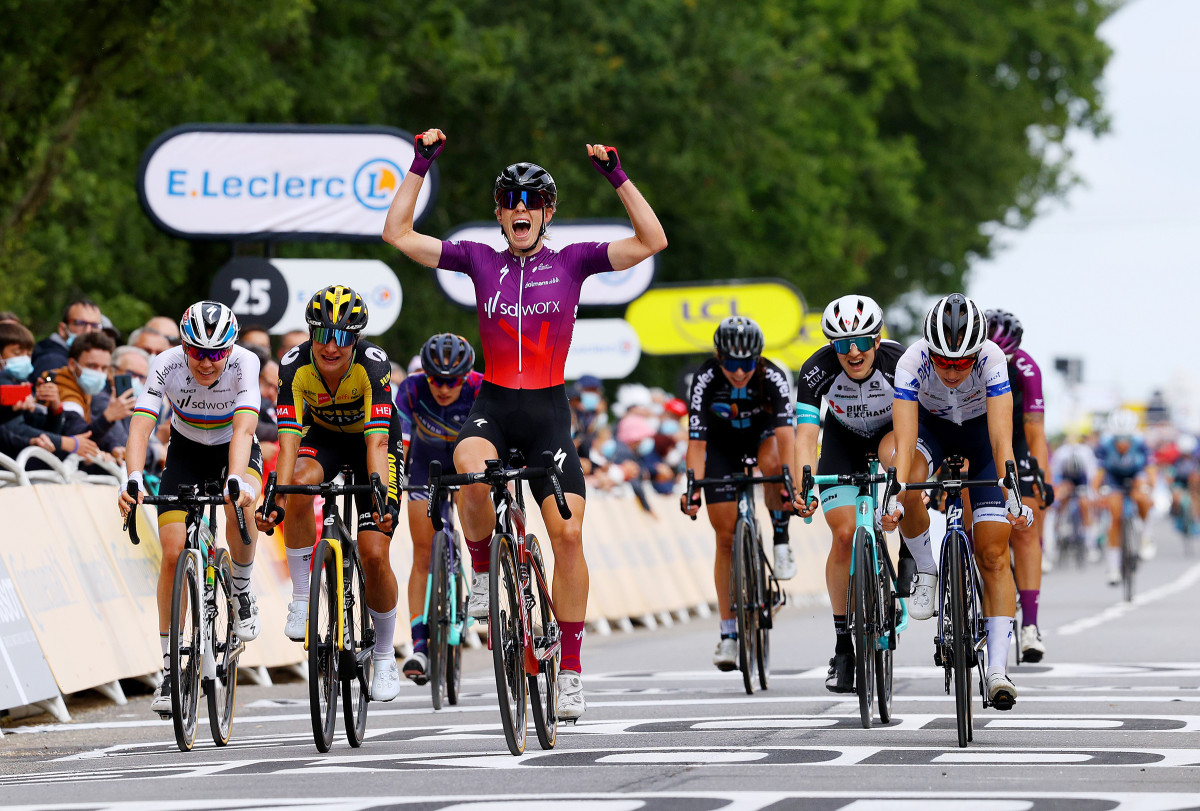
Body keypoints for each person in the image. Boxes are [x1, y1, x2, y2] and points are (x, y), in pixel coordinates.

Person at [383, 127, 668, 720]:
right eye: (509, 202)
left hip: (546, 413)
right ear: (498, 213)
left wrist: (617, 175)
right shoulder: (477, 259)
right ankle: (484, 570)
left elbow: (652, 239)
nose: (519, 210)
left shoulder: (574, 261)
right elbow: (398, 234)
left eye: (530, 202)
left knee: (566, 535)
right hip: (495, 406)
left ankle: (569, 668)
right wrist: (420, 163)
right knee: (467, 468)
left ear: (546, 213)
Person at [881, 293, 1032, 711]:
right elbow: (906, 440)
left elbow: (1003, 440)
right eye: (942, 361)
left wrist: (1012, 490)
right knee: (908, 476)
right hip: (931, 431)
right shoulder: (911, 361)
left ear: (976, 353)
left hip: (980, 437)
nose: (950, 369)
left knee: (994, 554)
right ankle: (926, 570)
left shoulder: (992, 359)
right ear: (929, 351)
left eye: (961, 362)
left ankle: (998, 671)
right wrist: (895, 489)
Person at [254, 285, 406, 702]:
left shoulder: (373, 367)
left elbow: (376, 444)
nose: (331, 346)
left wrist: (381, 497)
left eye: (342, 337)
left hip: (372, 443)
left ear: (355, 339)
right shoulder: (293, 364)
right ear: (311, 334)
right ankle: (302, 599)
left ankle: (384, 654)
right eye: (322, 335)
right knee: (298, 482)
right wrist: (278, 496)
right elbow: (287, 440)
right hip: (324, 438)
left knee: (375, 553)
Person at [117, 301, 263, 717]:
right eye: (197, 352)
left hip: (233, 448)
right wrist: (131, 476)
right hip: (184, 453)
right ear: (183, 345)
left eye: (217, 353)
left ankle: (243, 586)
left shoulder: (244, 363)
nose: (206, 362)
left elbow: (246, 427)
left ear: (230, 349)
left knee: (242, 504)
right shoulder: (165, 362)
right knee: (170, 554)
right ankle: (168, 669)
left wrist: (236, 477)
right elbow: (142, 424)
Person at [794, 295, 906, 693]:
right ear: (831, 347)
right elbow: (806, 436)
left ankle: (906, 550)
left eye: (861, 341)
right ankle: (844, 646)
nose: (853, 352)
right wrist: (802, 484)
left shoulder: (900, 362)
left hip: (891, 435)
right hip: (842, 440)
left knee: (899, 467)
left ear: (877, 339)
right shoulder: (815, 371)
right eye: (842, 344)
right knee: (843, 537)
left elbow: (919, 429)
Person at [681, 316, 795, 672]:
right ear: (718, 357)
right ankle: (729, 635)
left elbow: (787, 438)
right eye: (731, 363)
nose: (740, 372)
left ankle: (780, 536)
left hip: (763, 440)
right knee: (726, 539)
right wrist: (691, 489)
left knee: (775, 462)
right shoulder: (705, 378)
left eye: (747, 364)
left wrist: (791, 484)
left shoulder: (773, 376)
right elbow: (696, 444)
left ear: (757, 359)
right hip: (720, 447)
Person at [394, 333, 484, 683]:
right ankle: (419, 645)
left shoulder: (478, 386)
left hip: (465, 462)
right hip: (425, 466)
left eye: (452, 382)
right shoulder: (412, 389)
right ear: (424, 373)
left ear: (466, 377)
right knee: (422, 551)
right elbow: (397, 439)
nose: (444, 388)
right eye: (436, 379)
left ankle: (478, 575)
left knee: (473, 496)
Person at [983, 309, 1052, 662]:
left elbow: (1035, 430)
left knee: (1026, 527)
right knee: (974, 522)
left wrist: (1040, 476)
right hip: (978, 438)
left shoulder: (1026, 368)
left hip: (1017, 442)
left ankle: (1030, 626)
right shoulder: (966, 361)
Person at [1095, 408, 1154, 585]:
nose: (1122, 443)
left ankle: (1146, 536)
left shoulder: (1141, 443)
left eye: (1126, 439)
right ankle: (1113, 568)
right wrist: (1097, 493)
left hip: (1136, 475)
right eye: (1118, 439)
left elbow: (1151, 471)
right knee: (1114, 515)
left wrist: (1149, 488)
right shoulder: (1104, 445)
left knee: (1143, 497)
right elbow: (1097, 475)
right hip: (1113, 479)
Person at [54, 332, 135, 454]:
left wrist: (113, 446)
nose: (98, 373)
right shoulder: (64, 390)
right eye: (92, 366)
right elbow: (80, 438)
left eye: (103, 368)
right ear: (72, 364)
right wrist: (108, 417)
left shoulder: (81, 387)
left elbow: (89, 422)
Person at [32, 297, 104, 378]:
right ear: (62, 329)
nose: (88, 331)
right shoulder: (51, 361)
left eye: (95, 325)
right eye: (80, 323)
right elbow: (47, 383)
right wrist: (48, 382)